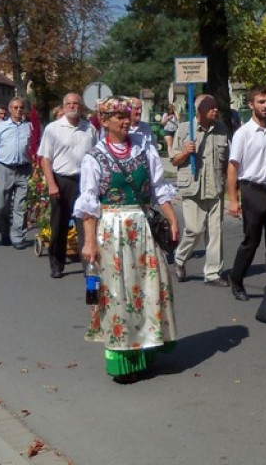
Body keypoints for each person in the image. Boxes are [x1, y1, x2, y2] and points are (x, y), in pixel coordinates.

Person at [75, 96, 178, 384]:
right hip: (113, 230)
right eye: (118, 116)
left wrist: (171, 218)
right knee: (119, 294)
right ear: (104, 121)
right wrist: (89, 242)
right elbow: (89, 202)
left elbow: (159, 187)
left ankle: (146, 353)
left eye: (126, 114)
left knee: (147, 290)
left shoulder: (144, 152)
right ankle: (123, 360)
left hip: (143, 228)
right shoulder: (94, 158)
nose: (125, 119)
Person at [227, 86, 266, 301]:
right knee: (251, 241)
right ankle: (236, 279)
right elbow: (233, 166)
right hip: (251, 189)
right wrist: (233, 199)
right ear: (251, 105)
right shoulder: (243, 133)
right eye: (261, 102)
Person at [37, 92, 98, 278]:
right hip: (61, 180)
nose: (73, 107)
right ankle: (56, 264)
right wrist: (51, 183)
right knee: (59, 225)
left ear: (81, 107)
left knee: (86, 225)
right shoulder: (53, 128)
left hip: (84, 182)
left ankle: (89, 265)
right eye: (69, 104)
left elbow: (97, 156)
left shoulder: (90, 129)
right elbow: (45, 159)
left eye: (76, 104)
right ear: (63, 107)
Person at [171, 94, 230, 287]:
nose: (215, 110)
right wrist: (185, 152)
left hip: (215, 186)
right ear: (200, 111)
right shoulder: (184, 130)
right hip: (192, 187)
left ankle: (212, 273)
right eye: (210, 108)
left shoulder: (221, 130)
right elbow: (173, 160)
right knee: (194, 230)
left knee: (215, 231)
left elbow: (228, 160)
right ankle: (180, 258)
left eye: (215, 107)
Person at [0, 97, 32, 248]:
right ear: (10, 109)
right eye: (15, 107)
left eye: (21, 107)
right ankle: (5, 232)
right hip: (4, 169)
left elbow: (36, 148)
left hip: (23, 169)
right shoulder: (1, 127)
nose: (19, 110)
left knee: (21, 205)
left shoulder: (30, 127)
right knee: (1, 204)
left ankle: (18, 236)